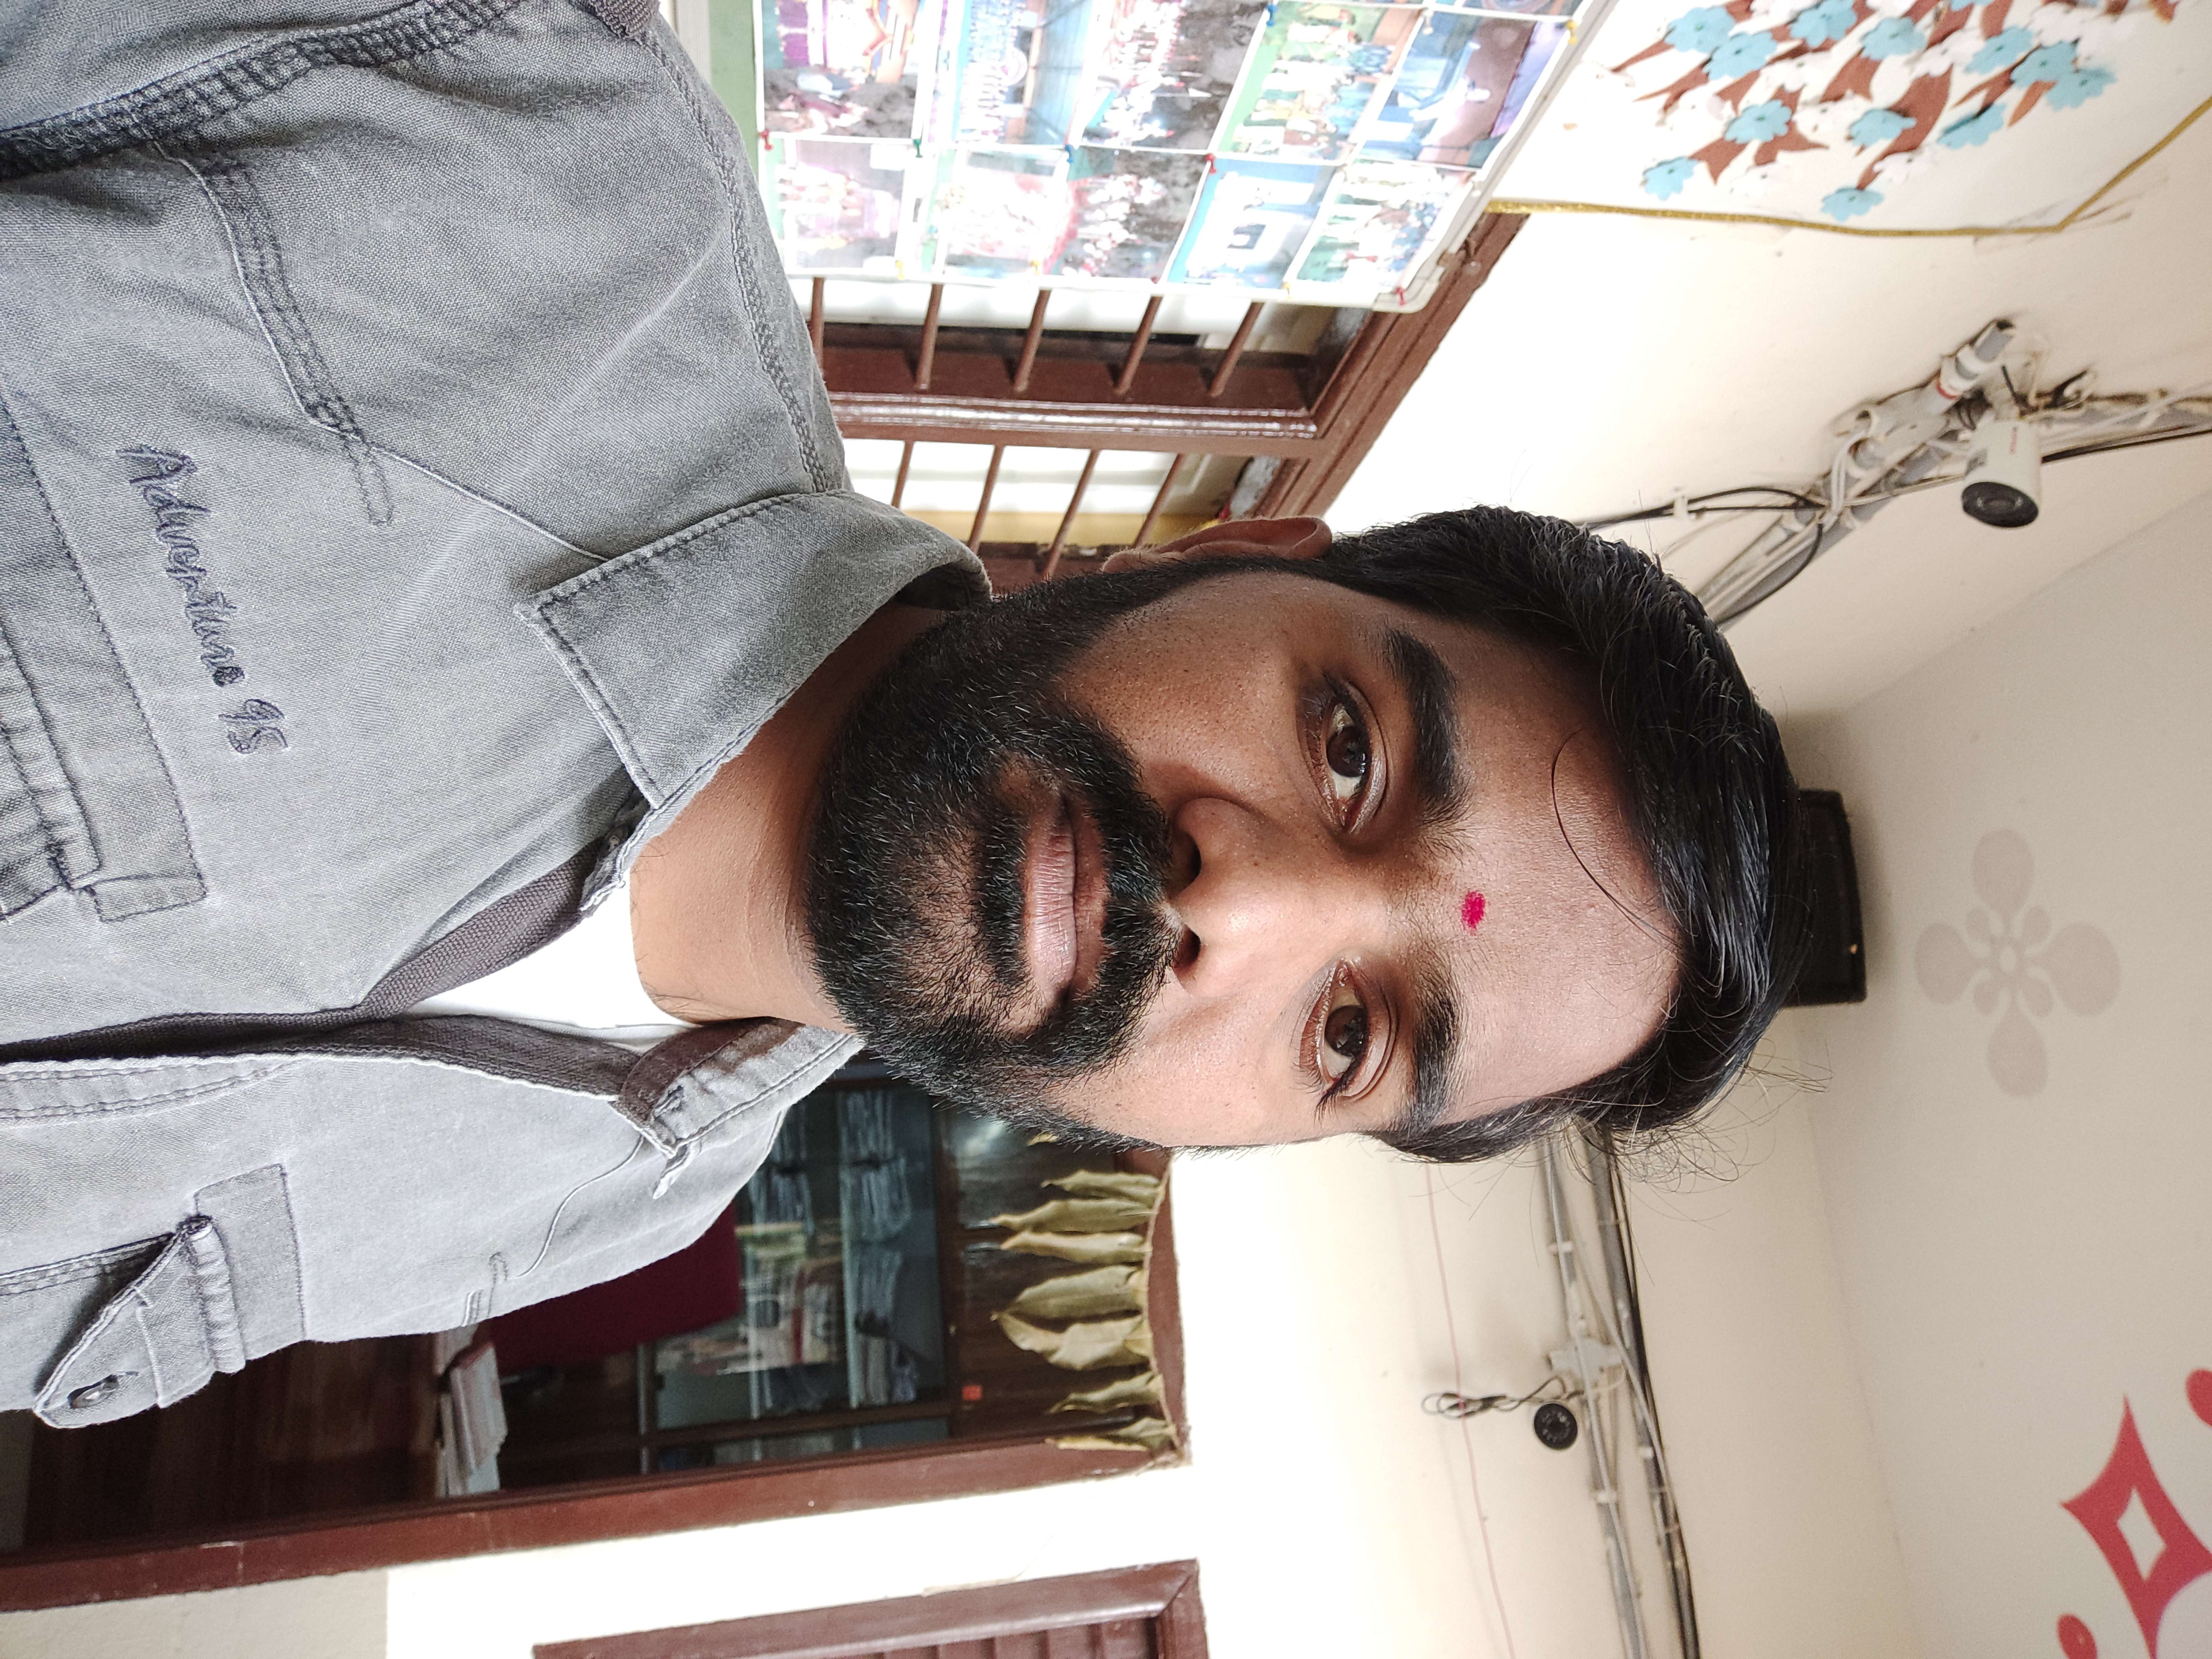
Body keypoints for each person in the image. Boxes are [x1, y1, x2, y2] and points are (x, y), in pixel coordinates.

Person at [0, 0, 1804, 1425]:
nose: (1242, 908)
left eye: (1351, 1032)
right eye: (1352, 751)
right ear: (1239, 551)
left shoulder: (613, 1207)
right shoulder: (516, 125)